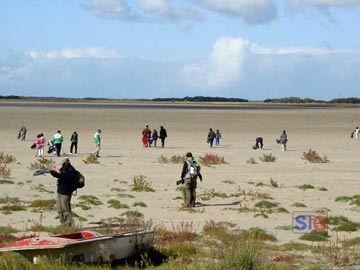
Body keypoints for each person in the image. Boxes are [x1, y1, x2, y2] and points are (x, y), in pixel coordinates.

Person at [50, 158, 77, 226]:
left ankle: (68, 223)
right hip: (60, 191)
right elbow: (59, 176)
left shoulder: (71, 169)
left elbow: (68, 178)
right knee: (59, 209)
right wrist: (53, 172)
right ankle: (62, 223)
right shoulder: (63, 168)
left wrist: (60, 173)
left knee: (66, 209)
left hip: (66, 192)